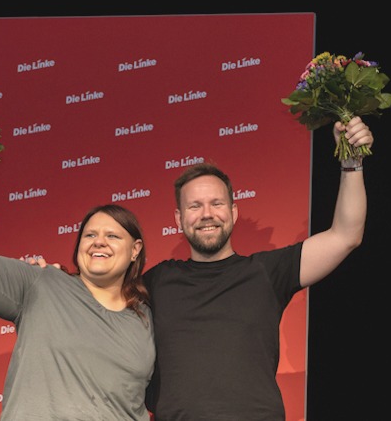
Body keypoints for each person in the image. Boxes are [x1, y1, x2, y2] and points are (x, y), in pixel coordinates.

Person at [29, 116, 372, 420]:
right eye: (194, 206)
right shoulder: (158, 281)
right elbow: (97, 296)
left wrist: (352, 162)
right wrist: (52, 279)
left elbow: (346, 236)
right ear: (179, 219)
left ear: (233, 212)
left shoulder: (267, 272)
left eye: (216, 203)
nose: (207, 214)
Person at [0, 145, 155, 421]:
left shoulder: (147, 318)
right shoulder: (42, 283)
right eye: (90, 235)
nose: (99, 242)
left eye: (113, 236)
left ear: (135, 250)